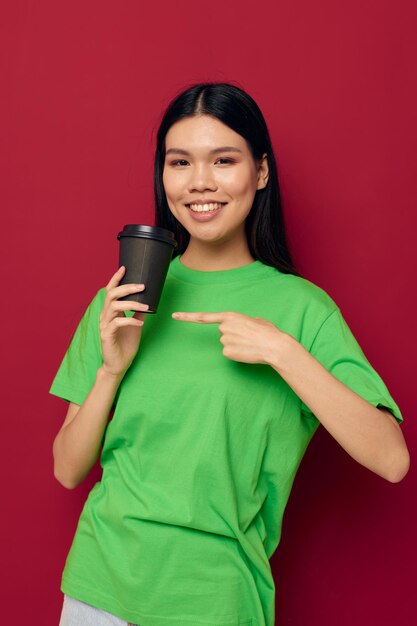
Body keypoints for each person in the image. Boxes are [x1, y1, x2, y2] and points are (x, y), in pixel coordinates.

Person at [50, 82, 409, 626]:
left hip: (217, 600)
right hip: (99, 589)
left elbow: (392, 459)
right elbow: (68, 469)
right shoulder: (123, 298)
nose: (200, 182)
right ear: (162, 174)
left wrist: (282, 351)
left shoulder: (302, 310)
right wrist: (110, 370)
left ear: (260, 172)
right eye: (180, 162)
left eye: (223, 160)